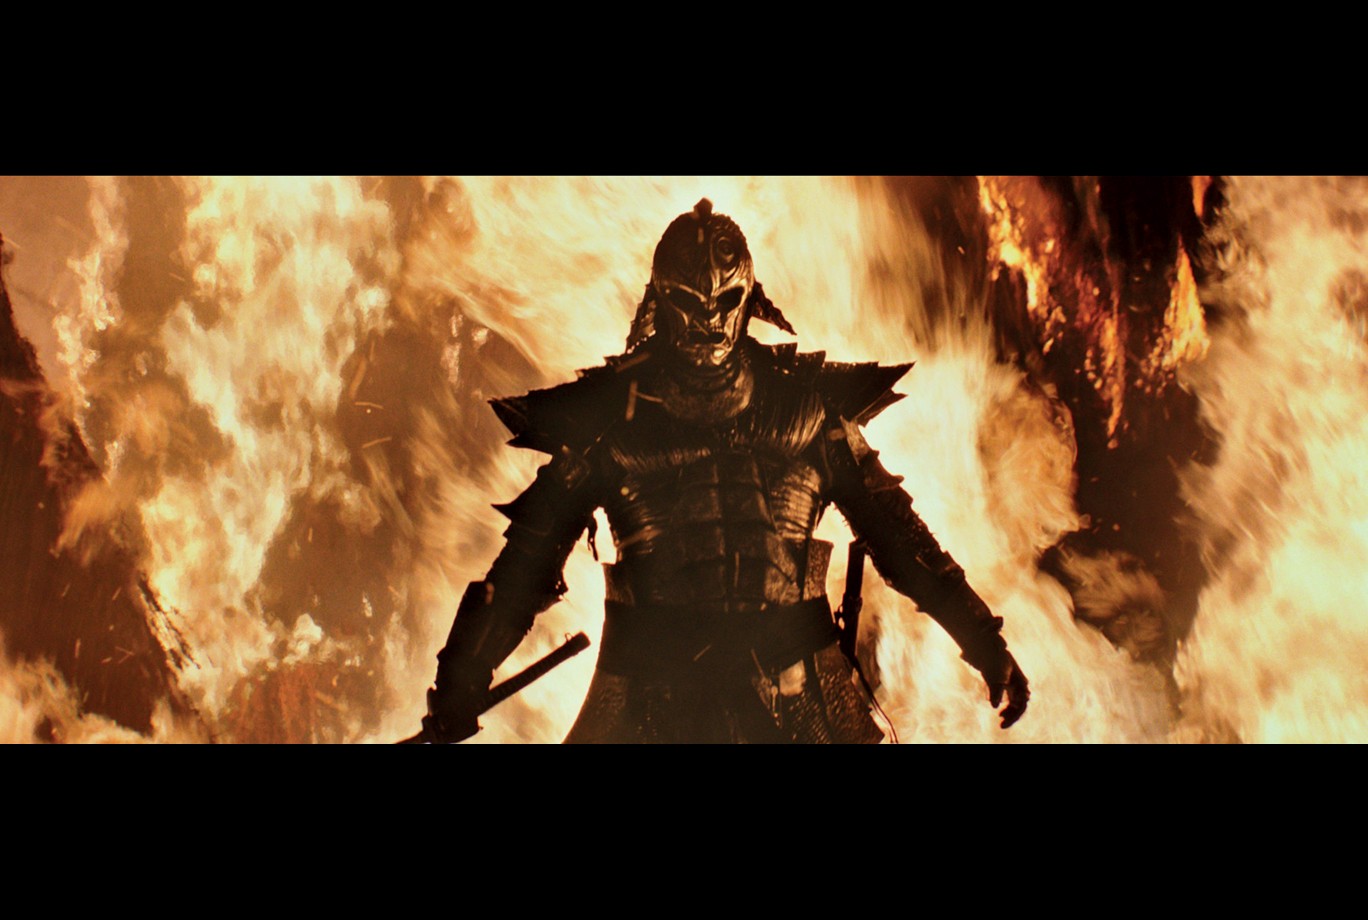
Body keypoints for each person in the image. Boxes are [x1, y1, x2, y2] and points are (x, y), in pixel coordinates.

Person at [418, 199, 1029, 743]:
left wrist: (982, 637)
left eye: (725, 301)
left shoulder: (808, 413)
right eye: (690, 302)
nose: (709, 320)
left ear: (749, 298)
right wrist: (459, 681)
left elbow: (900, 538)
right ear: (661, 301)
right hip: (655, 706)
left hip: (800, 699)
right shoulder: (608, 424)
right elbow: (522, 571)